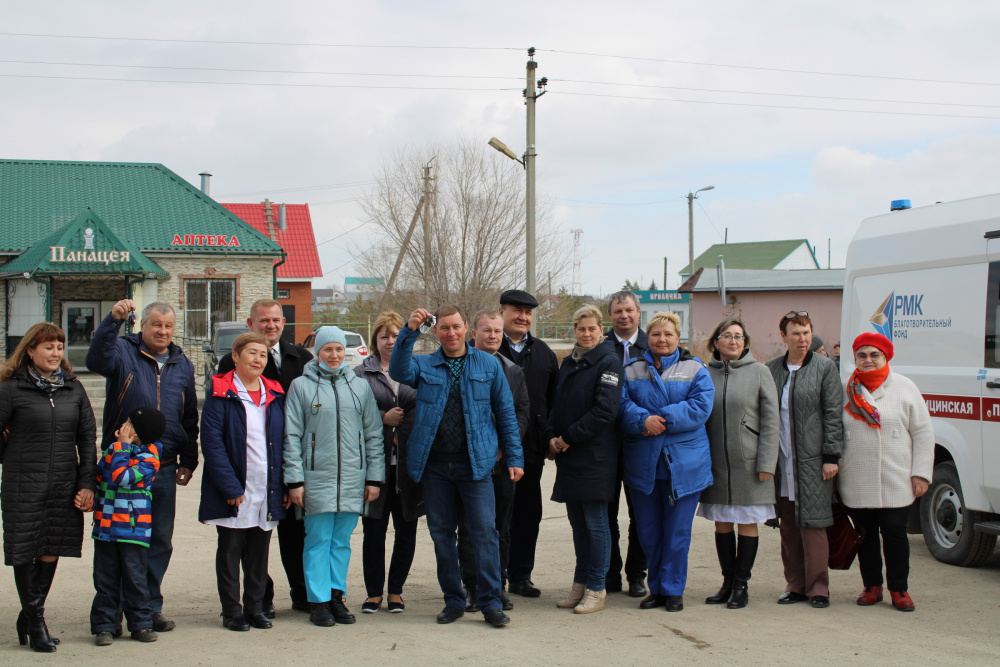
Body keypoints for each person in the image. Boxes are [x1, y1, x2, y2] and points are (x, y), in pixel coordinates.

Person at [389, 306, 523, 627]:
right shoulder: (424, 364)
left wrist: (515, 457)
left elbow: (506, 412)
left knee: (485, 533)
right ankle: (453, 600)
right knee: (442, 535)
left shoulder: (488, 364)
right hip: (435, 467)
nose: (451, 333)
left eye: (456, 327)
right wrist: (409, 331)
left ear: (467, 329)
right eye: (444, 328)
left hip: (475, 466)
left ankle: (491, 602)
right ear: (436, 332)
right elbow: (398, 371)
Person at [86, 299, 199, 631]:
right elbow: (95, 360)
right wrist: (112, 321)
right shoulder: (123, 350)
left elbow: (189, 416)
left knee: (159, 539)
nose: (162, 331)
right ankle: (115, 610)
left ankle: (147, 608)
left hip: (163, 467)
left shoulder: (182, 363)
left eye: (168, 326)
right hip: (123, 465)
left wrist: (189, 458)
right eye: (156, 325)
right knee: (120, 541)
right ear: (143, 325)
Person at [0, 323, 97, 653]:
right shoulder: (12, 389)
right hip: (23, 485)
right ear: (30, 350)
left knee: (50, 547)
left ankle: (29, 616)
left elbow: (86, 439)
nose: (55, 353)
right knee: (24, 550)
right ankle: (37, 622)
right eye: (48, 347)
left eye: (59, 347)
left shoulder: (73, 388)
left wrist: (86, 483)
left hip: (63, 484)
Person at [217, 299, 313, 615]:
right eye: (263, 321)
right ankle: (262, 598)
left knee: (295, 534)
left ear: (283, 323)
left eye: (275, 320)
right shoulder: (230, 363)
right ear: (251, 324)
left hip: (292, 460)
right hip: (254, 462)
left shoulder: (302, 359)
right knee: (254, 538)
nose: (270, 325)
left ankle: (301, 593)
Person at [284, 326, 385, 628]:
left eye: (339, 349)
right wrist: (295, 481)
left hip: (353, 479)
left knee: (341, 542)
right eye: (328, 349)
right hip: (316, 478)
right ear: (317, 352)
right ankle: (318, 601)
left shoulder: (360, 387)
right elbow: (292, 435)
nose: (334, 355)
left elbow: (373, 434)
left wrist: (374, 479)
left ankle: (336, 596)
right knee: (318, 541)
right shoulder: (301, 387)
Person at [618, 311, 714, 613]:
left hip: (684, 465)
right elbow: (620, 404)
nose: (662, 339)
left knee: (676, 532)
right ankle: (656, 588)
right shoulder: (631, 369)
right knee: (648, 531)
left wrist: (661, 419)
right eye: (656, 334)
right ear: (648, 337)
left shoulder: (696, 368)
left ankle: (672, 589)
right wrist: (642, 420)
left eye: (668, 334)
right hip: (644, 462)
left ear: (678, 337)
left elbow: (701, 407)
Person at [840, 333, 933, 612]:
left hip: (897, 476)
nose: (868, 360)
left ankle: (899, 588)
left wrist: (920, 473)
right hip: (856, 477)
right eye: (862, 355)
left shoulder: (905, 386)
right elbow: (832, 429)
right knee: (865, 535)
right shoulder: (846, 388)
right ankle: (872, 586)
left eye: (874, 355)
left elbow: (923, 432)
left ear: (886, 356)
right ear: (855, 358)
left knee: (895, 532)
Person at [201, 333, 287, 631]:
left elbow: (283, 442)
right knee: (230, 552)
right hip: (235, 488)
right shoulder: (220, 391)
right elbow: (212, 443)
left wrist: (282, 485)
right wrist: (229, 486)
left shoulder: (274, 392)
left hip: (266, 486)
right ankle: (231, 611)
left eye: (263, 355)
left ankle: (255, 607)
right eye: (252, 353)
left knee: (259, 555)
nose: (258, 359)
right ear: (235, 357)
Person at [765, 311, 844, 609]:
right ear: (783, 336)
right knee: (788, 526)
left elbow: (833, 414)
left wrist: (831, 456)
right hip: (782, 461)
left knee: (814, 525)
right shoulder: (771, 369)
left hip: (814, 461)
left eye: (807, 332)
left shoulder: (825, 368)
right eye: (796, 333)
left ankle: (818, 587)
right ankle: (795, 585)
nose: (803, 339)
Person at [547, 305, 623, 614]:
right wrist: (552, 435)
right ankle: (580, 584)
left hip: (595, 457)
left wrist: (568, 437)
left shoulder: (609, 362)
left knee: (596, 524)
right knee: (578, 525)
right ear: (575, 331)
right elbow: (557, 404)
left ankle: (596, 588)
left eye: (592, 328)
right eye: (581, 329)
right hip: (569, 455)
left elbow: (605, 411)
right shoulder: (570, 362)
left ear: (601, 330)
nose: (587, 333)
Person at [699, 319, 779, 609]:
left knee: (747, 521)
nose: (733, 341)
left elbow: (771, 421)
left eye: (739, 337)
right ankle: (727, 582)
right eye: (727, 336)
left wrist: (767, 462)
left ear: (745, 342)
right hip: (715, 463)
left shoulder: (760, 372)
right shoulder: (704, 373)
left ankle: (741, 585)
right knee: (722, 522)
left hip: (750, 463)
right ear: (716, 341)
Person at [459, 310, 531, 613]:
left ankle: (497, 585)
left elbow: (522, 411)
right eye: (486, 330)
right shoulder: (458, 365)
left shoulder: (512, 370)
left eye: (497, 331)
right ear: (472, 333)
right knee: (469, 527)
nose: (492, 336)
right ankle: (473, 587)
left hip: (502, 463)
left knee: (500, 527)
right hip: (469, 461)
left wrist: (502, 444)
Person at [353, 312, 422, 615]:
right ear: (375, 341)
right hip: (374, 466)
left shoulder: (418, 369)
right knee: (374, 532)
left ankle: (396, 591)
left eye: (396, 335)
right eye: (384, 336)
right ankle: (373, 592)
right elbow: (352, 413)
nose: (391, 341)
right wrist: (383, 418)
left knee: (406, 531)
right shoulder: (360, 374)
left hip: (409, 464)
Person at [496, 290, 558, 599]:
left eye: (528, 312)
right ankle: (493, 577)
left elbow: (554, 400)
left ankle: (521, 576)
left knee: (527, 515)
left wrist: (549, 437)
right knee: (495, 518)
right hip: (493, 451)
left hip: (531, 449)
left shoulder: (544, 353)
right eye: (517, 310)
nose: (523, 317)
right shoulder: (486, 346)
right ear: (502, 311)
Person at [91, 407, 166, 646]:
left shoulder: (150, 458)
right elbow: (100, 477)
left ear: (141, 432)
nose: (124, 426)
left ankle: (141, 623)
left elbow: (122, 478)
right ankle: (105, 626)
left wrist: (122, 447)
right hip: (105, 527)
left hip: (133, 530)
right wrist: (90, 498)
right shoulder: (114, 450)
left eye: (130, 424)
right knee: (105, 580)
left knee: (135, 579)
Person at [600, 290, 649, 597]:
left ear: (638, 312)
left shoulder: (653, 345)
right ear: (610, 315)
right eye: (618, 311)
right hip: (605, 442)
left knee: (640, 513)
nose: (624, 316)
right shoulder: (600, 345)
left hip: (641, 441)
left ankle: (636, 574)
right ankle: (610, 573)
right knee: (606, 513)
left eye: (629, 310)